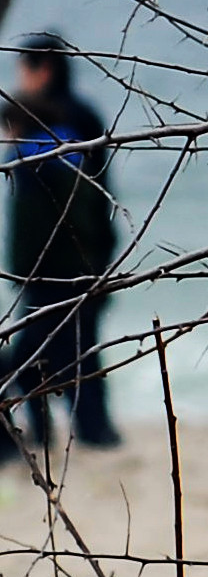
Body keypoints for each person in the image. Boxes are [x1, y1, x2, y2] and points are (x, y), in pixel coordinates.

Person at [2, 34, 120, 457]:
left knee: (32, 356)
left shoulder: (51, 129)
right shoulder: (84, 115)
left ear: (43, 70)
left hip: (58, 264)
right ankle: (92, 432)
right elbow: (104, 193)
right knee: (80, 351)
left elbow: (53, 214)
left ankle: (43, 437)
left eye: (23, 68)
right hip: (88, 256)